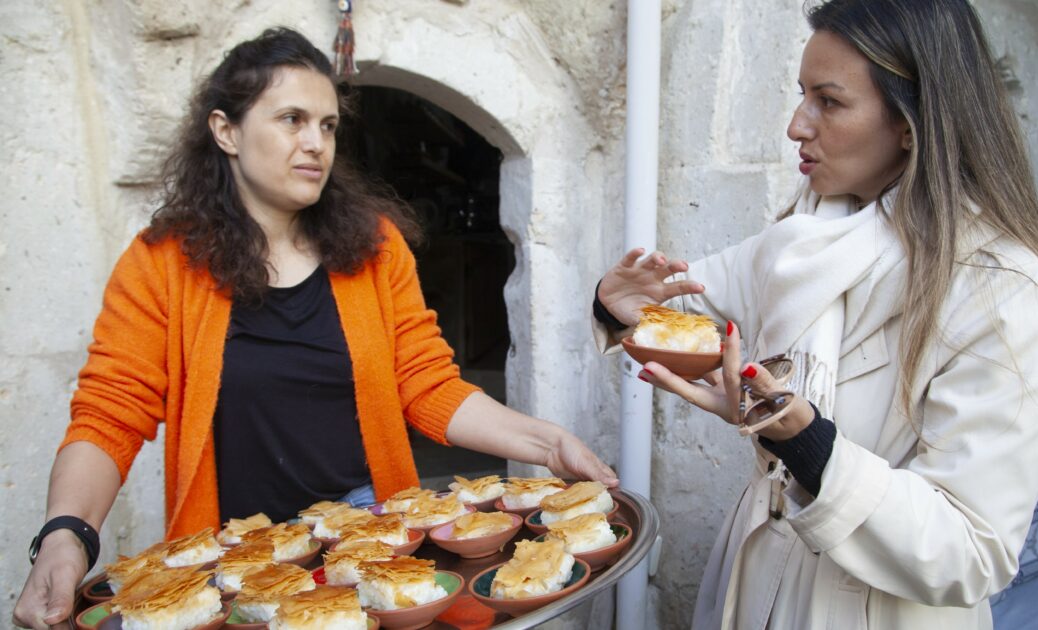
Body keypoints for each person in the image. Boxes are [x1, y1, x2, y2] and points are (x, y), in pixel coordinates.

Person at [13, 27, 617, 629]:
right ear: (226, 131)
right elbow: (109, 414)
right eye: (292, 120)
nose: (316, 144)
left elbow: (427, 385)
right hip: (234, 563)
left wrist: (546, 444)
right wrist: (67, 534)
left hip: (368, 543)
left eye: (327, 125)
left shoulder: (375, 247)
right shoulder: (161, 264)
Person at [593, 0, 1038, 628]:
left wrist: (806, 445)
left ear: (911, 123)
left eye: (828, 102)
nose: (796, 126)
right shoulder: (802, 239)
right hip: (753, 589)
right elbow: (689, 304)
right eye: (802, 95)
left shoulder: (1006, 291)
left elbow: (971, 550)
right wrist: (620, 305)